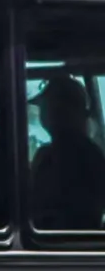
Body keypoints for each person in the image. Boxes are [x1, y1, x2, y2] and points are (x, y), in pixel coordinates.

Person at [28, 78, 105, 230]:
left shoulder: (81, 155)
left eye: (46, 106)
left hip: (65, 244)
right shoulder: (53, 152)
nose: (42, 114)